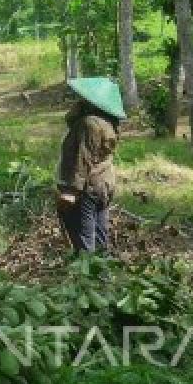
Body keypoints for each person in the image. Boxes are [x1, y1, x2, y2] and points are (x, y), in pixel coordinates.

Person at [56, 77, 125, 254]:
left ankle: (89, 277)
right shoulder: (107, 123)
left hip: (89, 187)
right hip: (104, 185)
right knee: (100, 236)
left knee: (84, 239)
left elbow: (83, 158)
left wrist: (72, 191)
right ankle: (103, 275)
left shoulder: (89, 124)